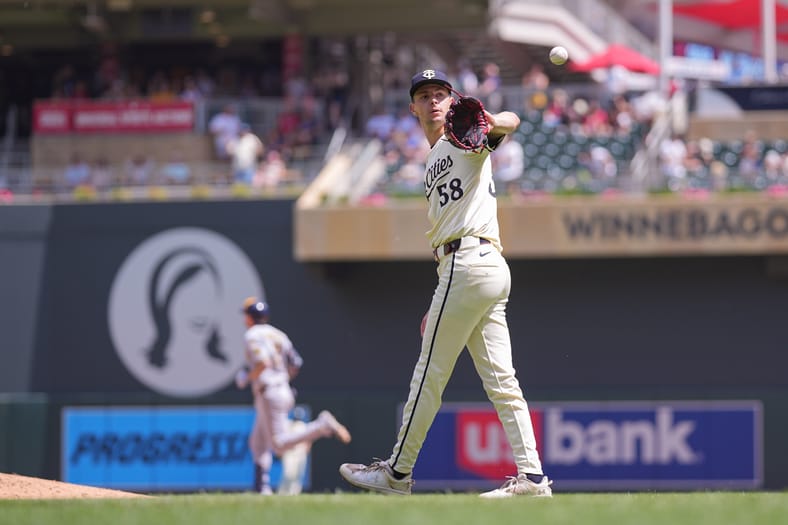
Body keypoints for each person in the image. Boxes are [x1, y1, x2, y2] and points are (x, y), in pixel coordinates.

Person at [339, 69, 552, 498]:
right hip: (474, 271)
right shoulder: (432, 156)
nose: (433, 100)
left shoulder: (464, 137)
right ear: (413, 107)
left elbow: (511, 121)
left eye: (440, 93)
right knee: (502, 381)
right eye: (425, 95)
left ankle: (397, 474)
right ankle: (531, 479)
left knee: (428, 377)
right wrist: (441, 297)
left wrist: (492, 118)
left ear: (452, 102)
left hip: (470, 264)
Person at [236, 297, 352, 495]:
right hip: (282, 389)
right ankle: (261, 487)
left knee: (279, 444)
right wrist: (282, 379)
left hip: (268, 391)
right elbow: (296, 363)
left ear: (249, 317)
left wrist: (247, 377)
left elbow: (263, 362)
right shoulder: (279, 334)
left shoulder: (252, 335)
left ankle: (322, 426)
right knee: (257, 441)